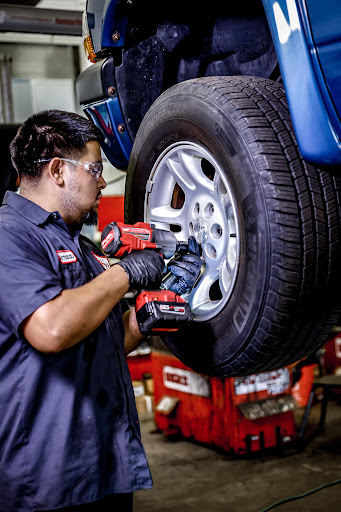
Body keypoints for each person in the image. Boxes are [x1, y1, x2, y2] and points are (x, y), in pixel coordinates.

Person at [0, 110, 166, 512]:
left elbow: (103, 339)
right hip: (45, 480)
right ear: (58, 170)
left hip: (104, 468)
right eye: (95, 169)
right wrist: (125, 274)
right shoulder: (10, 235)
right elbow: (52, 329)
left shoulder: (82, 246)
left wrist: (145, 319)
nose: (103, 181)